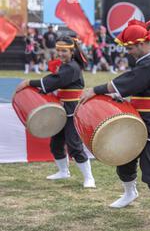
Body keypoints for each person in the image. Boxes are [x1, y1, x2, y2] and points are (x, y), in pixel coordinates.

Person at [79, 19, 150, 224]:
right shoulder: (148, 60)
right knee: (124, 158)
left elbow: (131, 80)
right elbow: (140, 84)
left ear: (142, 43)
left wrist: (96, 90)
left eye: (131, 47)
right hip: (137, 116)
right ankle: (129, 193)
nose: (129, 52)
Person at [15, 36, 96, 188]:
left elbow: (53, 81)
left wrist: (28, 82)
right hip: (60, 109)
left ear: (72, 51)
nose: (60, 53)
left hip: (72, 110)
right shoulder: (67, 65)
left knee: (74, 144)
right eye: (58, 50)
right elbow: (54, 80)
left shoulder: (71, 67)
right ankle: (63, 171)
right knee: (56, 143)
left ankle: (89, 178)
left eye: (64, 51)